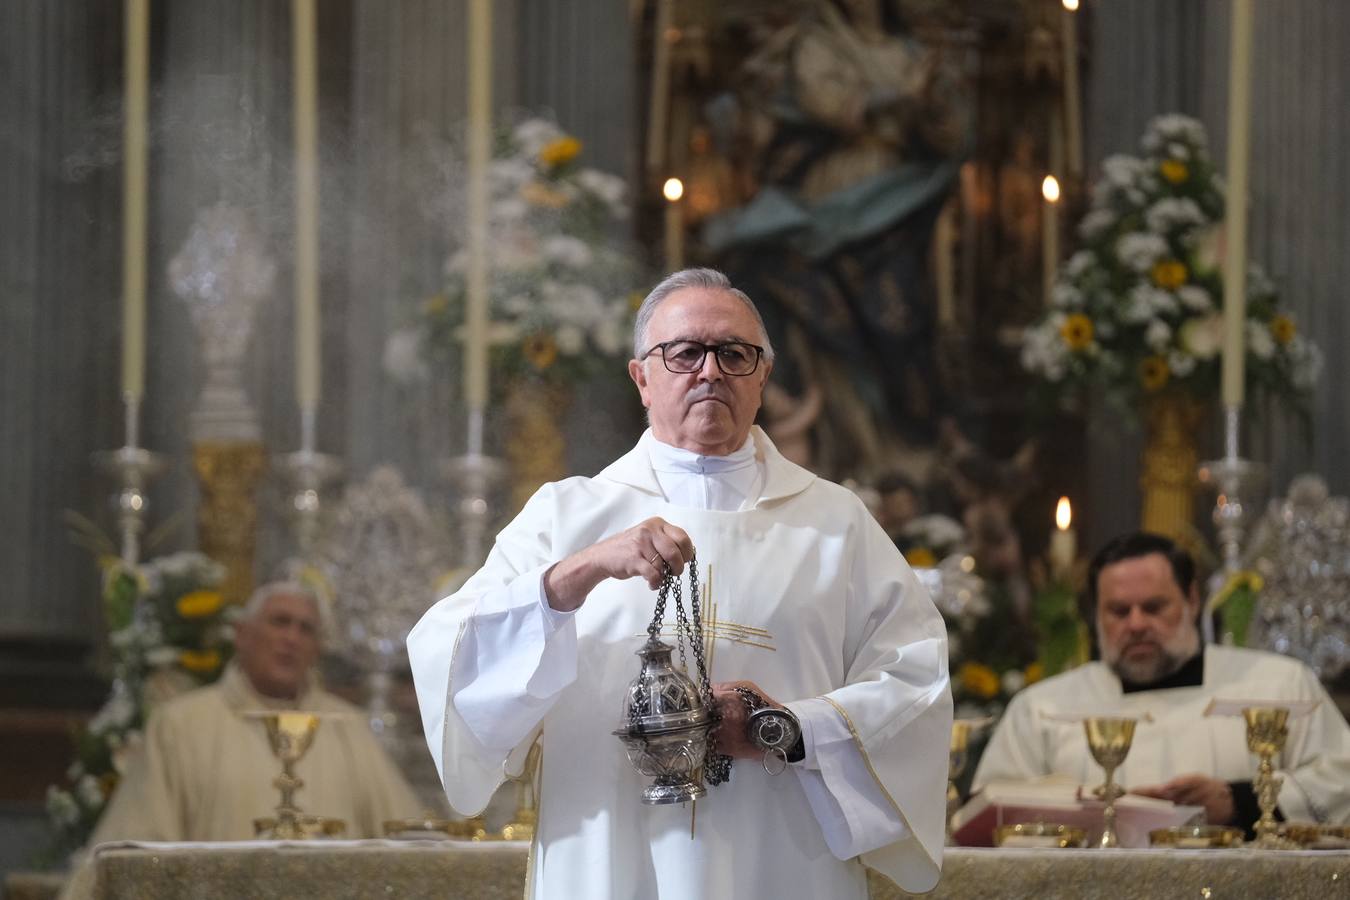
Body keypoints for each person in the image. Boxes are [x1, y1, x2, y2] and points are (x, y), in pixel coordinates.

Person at [408, 268, 951, 899]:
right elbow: (449, 654)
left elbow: (916, 684)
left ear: (763, 375)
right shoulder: (567, 516)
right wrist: (575, 573)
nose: (711, 371)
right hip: (610, 857)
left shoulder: (837, 524)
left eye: (734, 354)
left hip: (782, 864)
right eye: (685, 352)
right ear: (641, 377)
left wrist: (785, 728)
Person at [973, 532, 1350, 831]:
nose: (1136, 625)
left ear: (1191, 600)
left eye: (1154, 607)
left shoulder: (1279, 685)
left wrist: (1238, 801)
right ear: (1096, 614)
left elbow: (1341, 779)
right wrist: (1101, 811)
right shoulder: (1041, 709)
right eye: (1119, 611)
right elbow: (990, 809)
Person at [86, 581, 421, 843]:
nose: (292, 637)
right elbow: (138, 843)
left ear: (317, 650)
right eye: (280, 622)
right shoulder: (181, 725)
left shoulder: (346, 726)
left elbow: (405, 837)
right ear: (242, 635)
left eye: (306, 629)